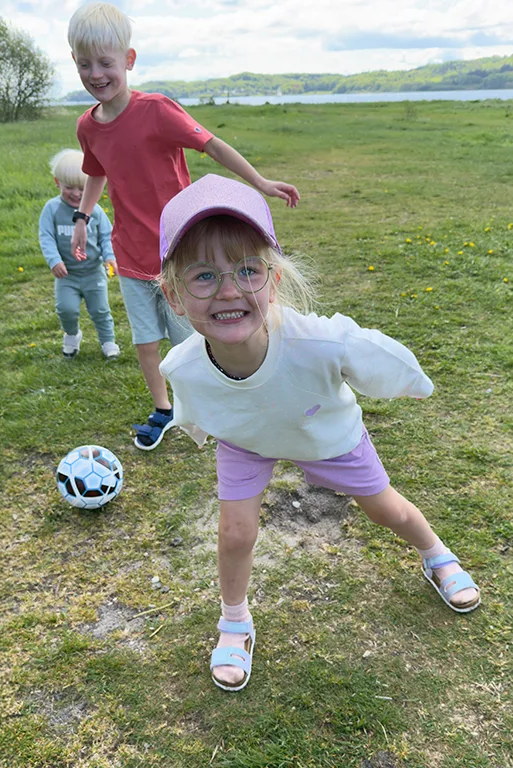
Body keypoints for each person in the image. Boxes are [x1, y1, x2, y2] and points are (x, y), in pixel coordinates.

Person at [157, 174, 481, 692]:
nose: (229, 290)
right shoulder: (184, 364)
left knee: (385, 509)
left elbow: (373, 353)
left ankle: (435, 553)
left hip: (322, 431)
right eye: (203, 277)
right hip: (248, 439)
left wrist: (412, 382)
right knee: (235, 533)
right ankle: (234, 620)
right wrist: (199, 431)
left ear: (275, 280)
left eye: (247, 270)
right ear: (174, 296)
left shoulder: (319, 342)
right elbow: (193, 405)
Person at [66, 2, 299, 450]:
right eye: (84, 64)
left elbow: (212, 146)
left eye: (106, 63)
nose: (96, 74)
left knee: (193, 336)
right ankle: (165, 409)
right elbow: (96, 172)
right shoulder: (87, 127)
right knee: (147, 341)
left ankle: (218, 399)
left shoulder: (157, 110)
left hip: (180, 250)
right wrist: (83, 217)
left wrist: (260, 182)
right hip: (131, 254)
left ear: (128, 61)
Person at [39, 149, 120, 360]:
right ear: (57, 182)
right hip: (67, 275)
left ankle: (108, 341)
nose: (76, 194)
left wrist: (110, 257)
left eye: (82, 188)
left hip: (93, 272)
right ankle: (72, 335)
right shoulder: (52, 209)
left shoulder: (96, 211)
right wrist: (54, 260)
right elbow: (46, 237)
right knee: (66, 309)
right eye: (69, 187)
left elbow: (106, 236)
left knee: (100, 310)